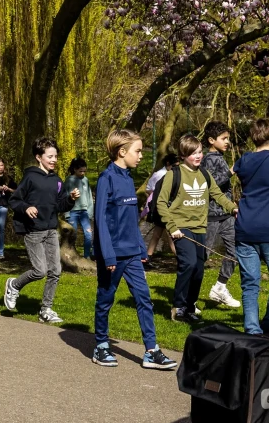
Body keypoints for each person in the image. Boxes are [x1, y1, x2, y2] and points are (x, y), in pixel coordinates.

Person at [91, 128, 176, 370]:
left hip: (131, 254)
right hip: (112, 255)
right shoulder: (107, 178)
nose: (141, 156)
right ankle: (101, 345)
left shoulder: (128, 178)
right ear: (122, 151)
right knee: (105, 299)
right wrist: (107, 254)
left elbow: (131, 221)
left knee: (144, 299)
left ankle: (151, 351)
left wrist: (141, 250)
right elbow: (100, 221)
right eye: (137, 151)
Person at [158, 133, 237, 325]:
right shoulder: (173, 175)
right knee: (189, 264)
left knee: (199, 270)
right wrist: (172, 227)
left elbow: (218, 195)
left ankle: (191, 306)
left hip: (200, 228)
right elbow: (161, 203)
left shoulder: (204, 174)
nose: (198, 156)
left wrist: (233, 207)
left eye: (200, 152)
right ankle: (178, 307)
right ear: (183, 155)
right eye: (193, 153)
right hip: (181, 228)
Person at [5, 137, 79, 323]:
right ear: (39, 157)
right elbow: (15, 200)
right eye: (50, 156)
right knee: (40, 271)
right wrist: (26, 207)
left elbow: (60, 205)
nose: (54, 160)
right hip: (34, 231)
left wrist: (70, 199)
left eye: (55, 156)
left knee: (55, 271)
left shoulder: (57, 181)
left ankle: (46, 310)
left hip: (51, 230)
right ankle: (14, 285)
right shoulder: (30, 177)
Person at [232, 118, 269, 335]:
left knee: (250, 283)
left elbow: (230, 172)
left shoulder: (244, 161)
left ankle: (251, 328)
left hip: (245, 228)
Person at [201, 121, 242, 310]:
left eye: (228, 138)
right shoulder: (209, 158)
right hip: (211, 215)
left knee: (234, 251)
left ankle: (220, 286)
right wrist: (231, 171)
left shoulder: (220, 156)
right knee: (203, 254)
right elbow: (211, 183)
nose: (228, 142)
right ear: (211, 140)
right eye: (223, 139)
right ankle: (187, 296)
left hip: (226, 214)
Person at [140, 152, 178, 257]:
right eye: (174, 166)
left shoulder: (174, 174)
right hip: (161, 208)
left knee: (159, 234)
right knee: (169, 234)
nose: (176, 168)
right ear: (168, 163)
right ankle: (179, 257)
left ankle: (148, 255)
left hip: (168, 208)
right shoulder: (160, 175)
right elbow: (149, 190)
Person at [63, 156, 94, 259]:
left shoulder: (85, 180)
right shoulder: (69, 180)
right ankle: (73, 255)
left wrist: (90, 212)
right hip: (72, 212)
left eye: (84, 171)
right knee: (73, 235)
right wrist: (66, 213)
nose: (83, 173)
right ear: (75, 169)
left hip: (84, 212)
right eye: (80, 171)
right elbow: (65, 196)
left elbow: (89, 196)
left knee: (88, 234)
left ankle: (87, 256)